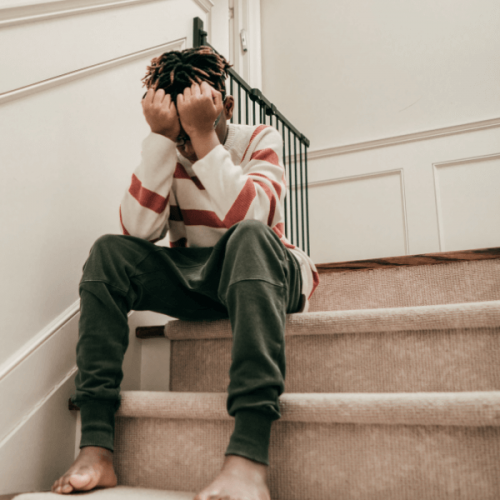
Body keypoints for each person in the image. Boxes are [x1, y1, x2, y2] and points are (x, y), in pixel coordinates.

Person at [51, 46, 318, 500]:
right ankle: (96, 445)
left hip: (269, 269)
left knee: (249, 237)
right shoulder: (166, 148)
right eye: (179, 129)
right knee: (108, 253)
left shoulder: (257, 138)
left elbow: (251, 215)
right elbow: (137, 230)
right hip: (201, 278)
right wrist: (161, 142)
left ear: (225, 107)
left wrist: (203, 138)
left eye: (199, 122)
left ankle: (248, 456)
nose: (186, 141)